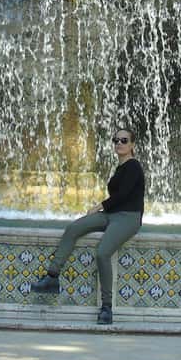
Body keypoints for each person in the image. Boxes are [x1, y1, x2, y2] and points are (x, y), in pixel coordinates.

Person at [31, 127, 145, 325]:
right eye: (116, 140)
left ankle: (107, 307)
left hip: (128, 217)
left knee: (102, 252)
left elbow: (124, 195)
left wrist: (99, 206)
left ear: (132, 145)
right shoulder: (120, 167)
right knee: (73, 229)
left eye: (124, 140)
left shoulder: (134, 166)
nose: (119, 143)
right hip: (111, 215)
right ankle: (52, 277)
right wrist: (104, 210)